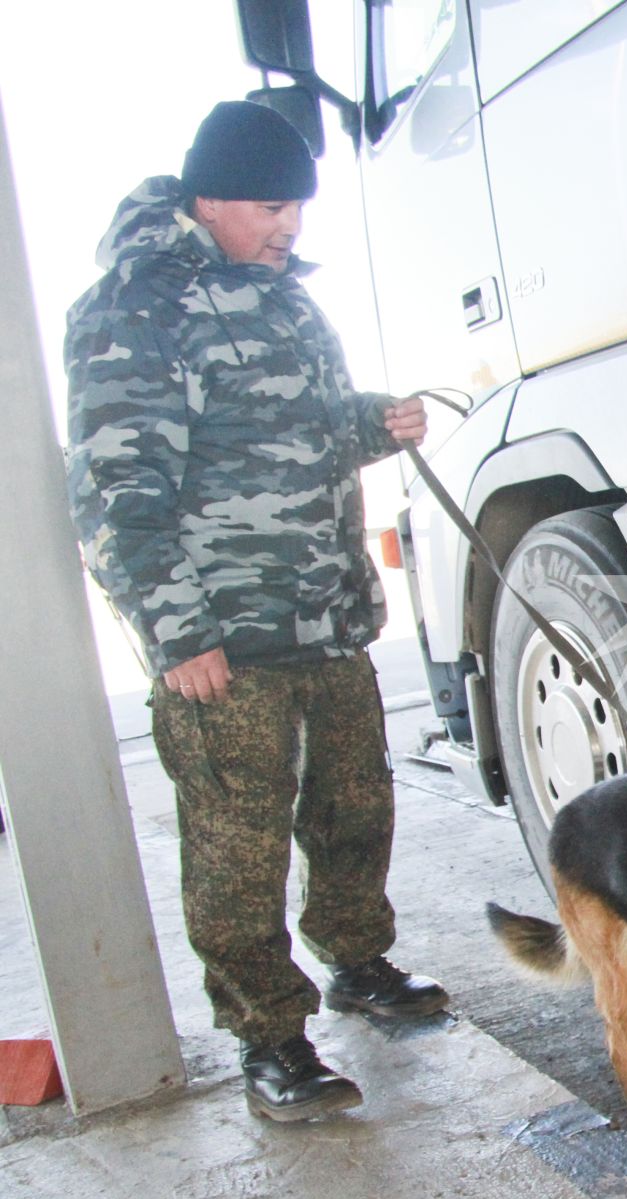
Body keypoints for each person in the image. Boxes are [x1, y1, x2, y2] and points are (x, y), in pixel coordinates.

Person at [65, 100, 449, 1122]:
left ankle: (359, 962)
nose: (290, 228)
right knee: (239, 845)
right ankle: (270, 1034)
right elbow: (116, 486)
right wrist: (175, 628)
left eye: (297, 209)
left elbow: (305, 428)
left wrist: (377, 422)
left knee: (355, 804)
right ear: (211, 197)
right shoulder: (136, 306)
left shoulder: (284, 299)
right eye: (273, 206)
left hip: (322, 612)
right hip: (224, 640)